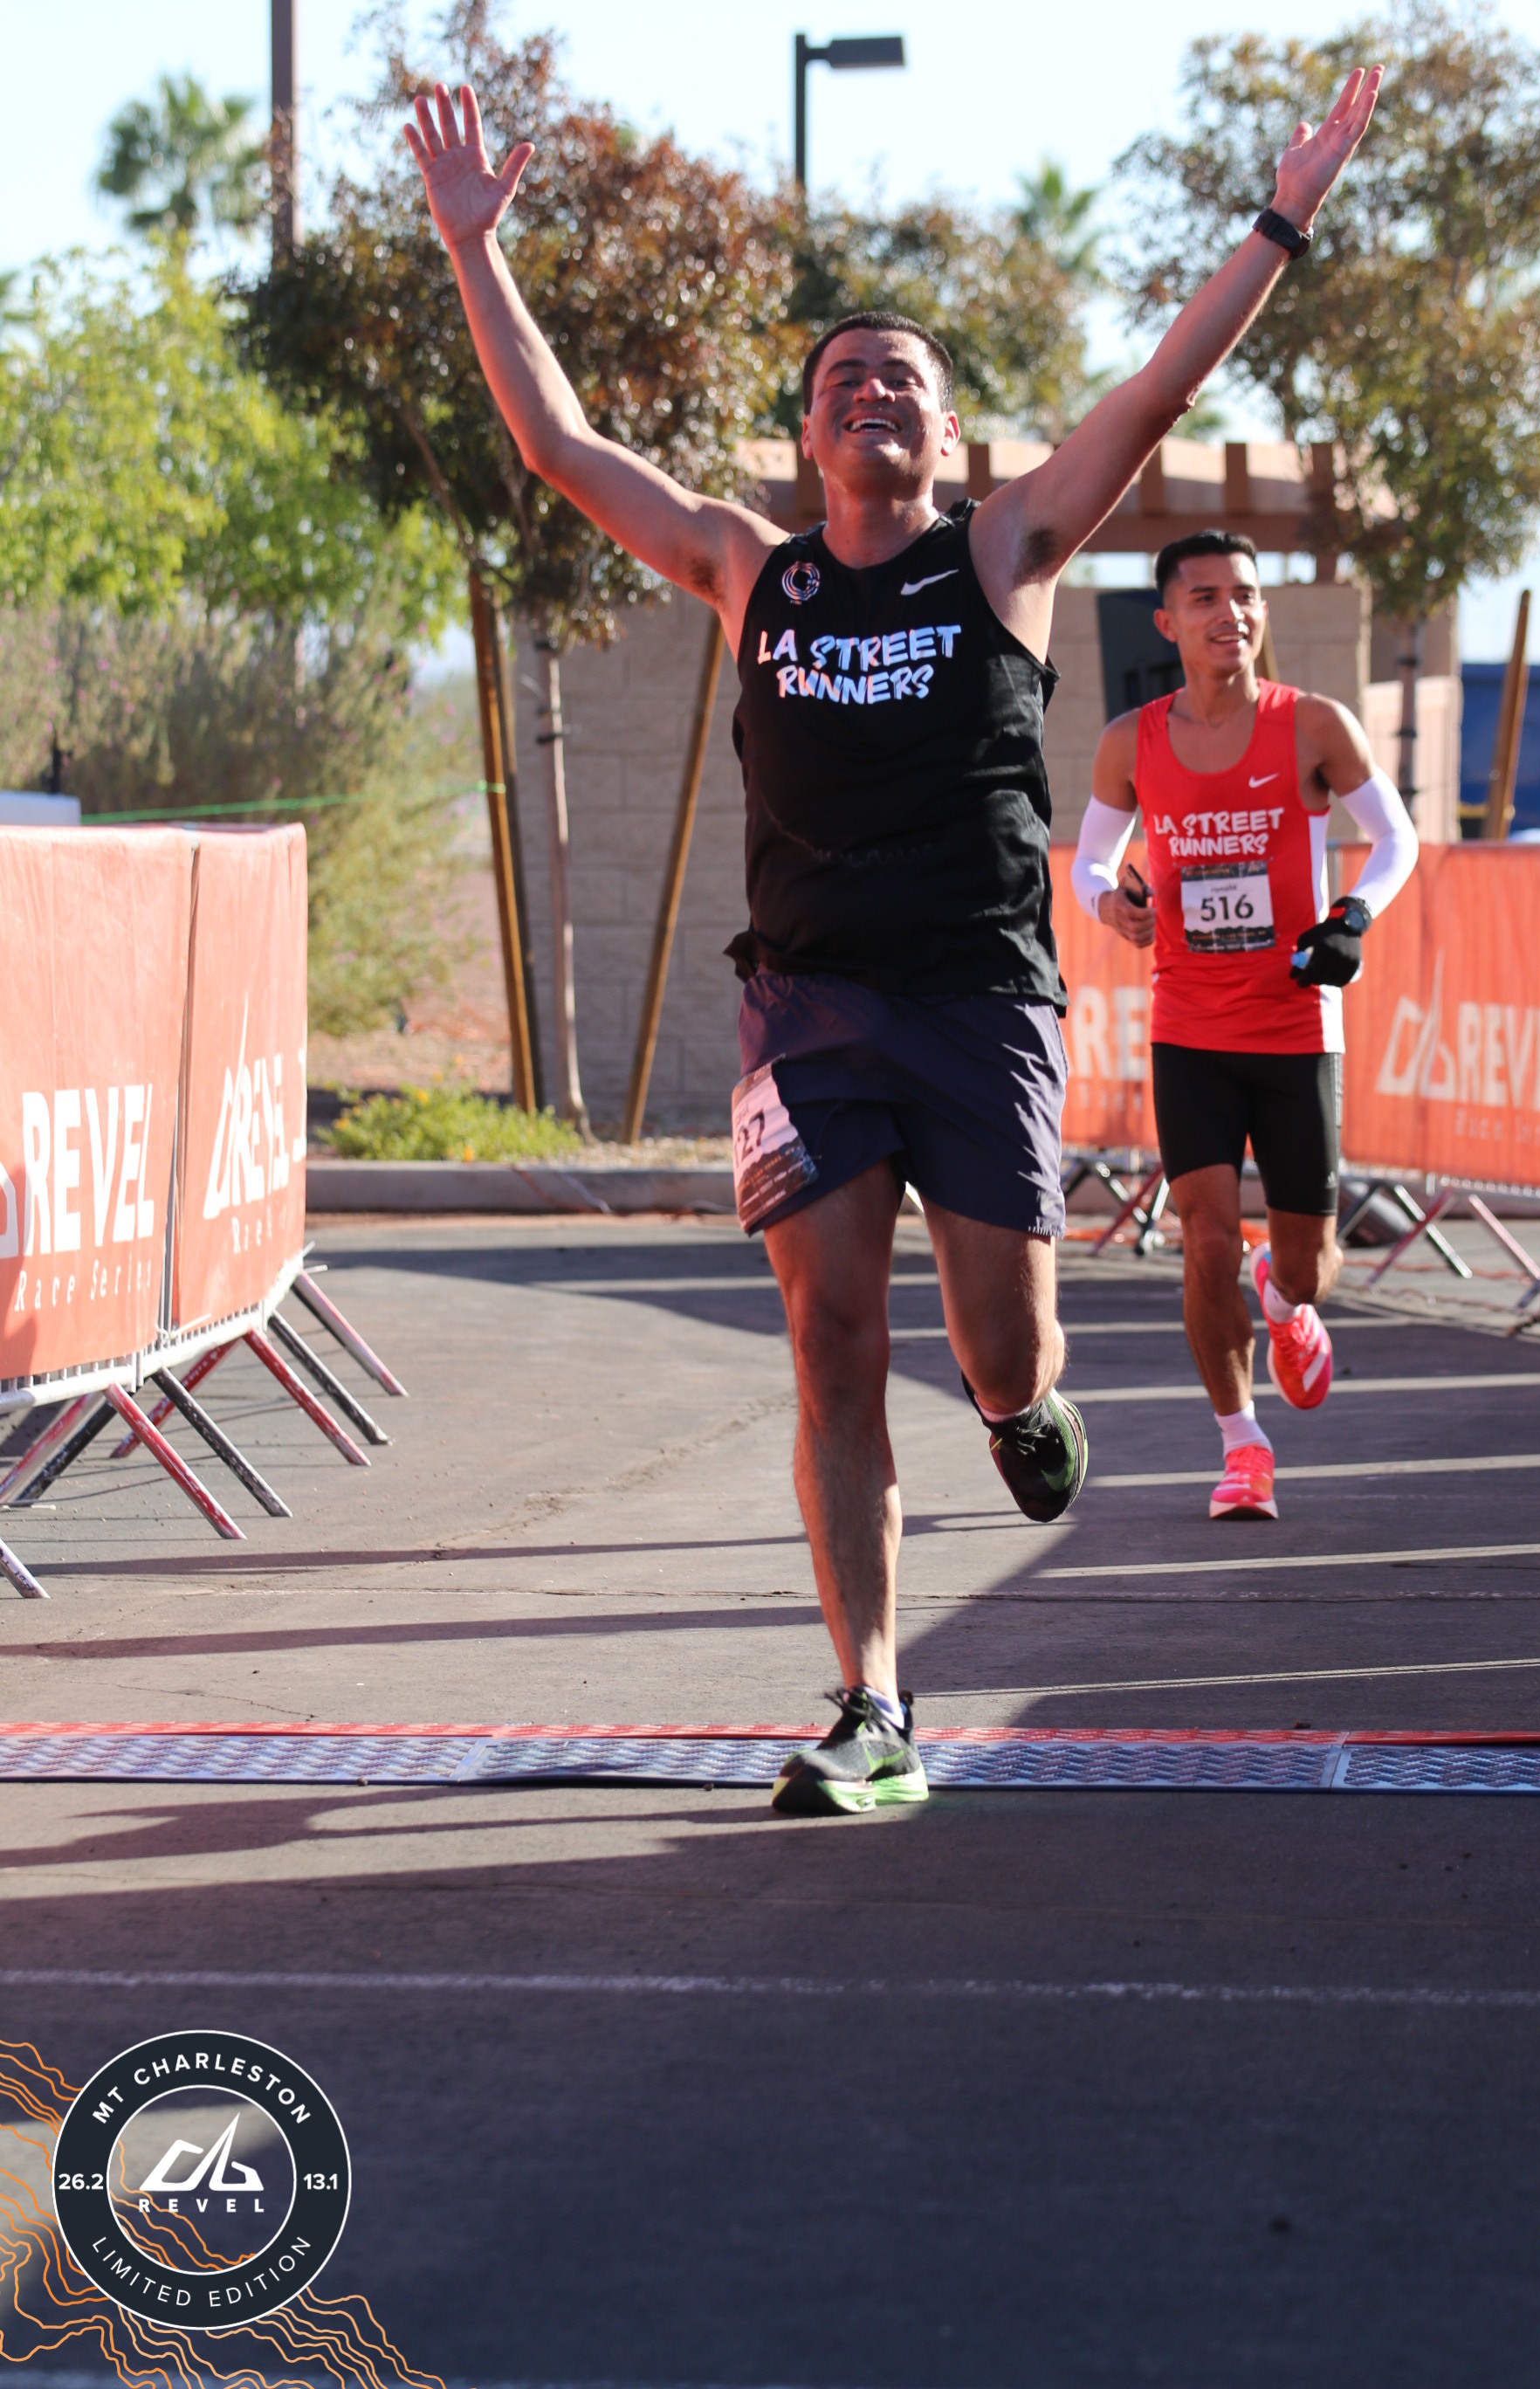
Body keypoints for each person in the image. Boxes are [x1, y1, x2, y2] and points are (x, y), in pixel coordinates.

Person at [403, 66, 1382, 1813]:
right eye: (842, 378)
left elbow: (1158, 385)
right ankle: (871, 1706)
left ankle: (1016, 1412)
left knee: (1001, 1347)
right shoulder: (747, 572)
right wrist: (476, 250)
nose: (870, 391)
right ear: (807, 437)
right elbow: (556, 446)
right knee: (832, 1340)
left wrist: (1280, 218)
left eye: (902, 379)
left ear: (944, 436)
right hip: (806, 1013)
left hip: (981, 1005)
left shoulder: (1001, 551)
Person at [1074, 530, 1417, 1521]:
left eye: (1247, 595)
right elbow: (1091, 863)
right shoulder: (1130, 742)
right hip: (1190, 1025)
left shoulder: (1312, 725)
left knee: (1307, 1265)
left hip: (1297, 1025)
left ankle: (1283, 1293)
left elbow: (1394, 837)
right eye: (1207, 598)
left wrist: (1351, 916)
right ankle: (1242, 1445)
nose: (1232, 613)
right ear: (1167, 622)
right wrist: (1113, 905)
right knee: (1203, 1242)